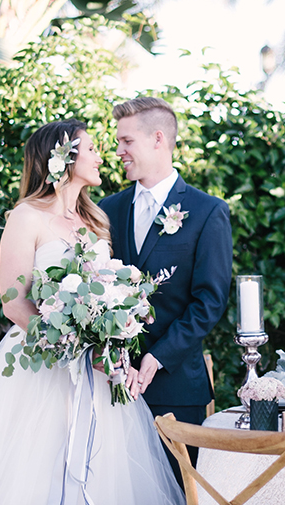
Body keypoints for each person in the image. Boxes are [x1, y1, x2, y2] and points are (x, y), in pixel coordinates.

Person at [0, 119, 184, 505]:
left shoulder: (96, 222)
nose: (99, 156)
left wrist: (106, 342)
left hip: (98, 373)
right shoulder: (27, 217)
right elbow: (13, 302)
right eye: (90, 149)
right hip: (40, 368)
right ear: (64, 159)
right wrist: (73, 348)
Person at [98, 97, 232, 482]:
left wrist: (156, 358)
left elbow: (209, 301)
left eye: (126, 141)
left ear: (158, 139)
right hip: (112, 386)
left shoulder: (208, 212)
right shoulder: (110, 209)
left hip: (175, 390)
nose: (118, 151)